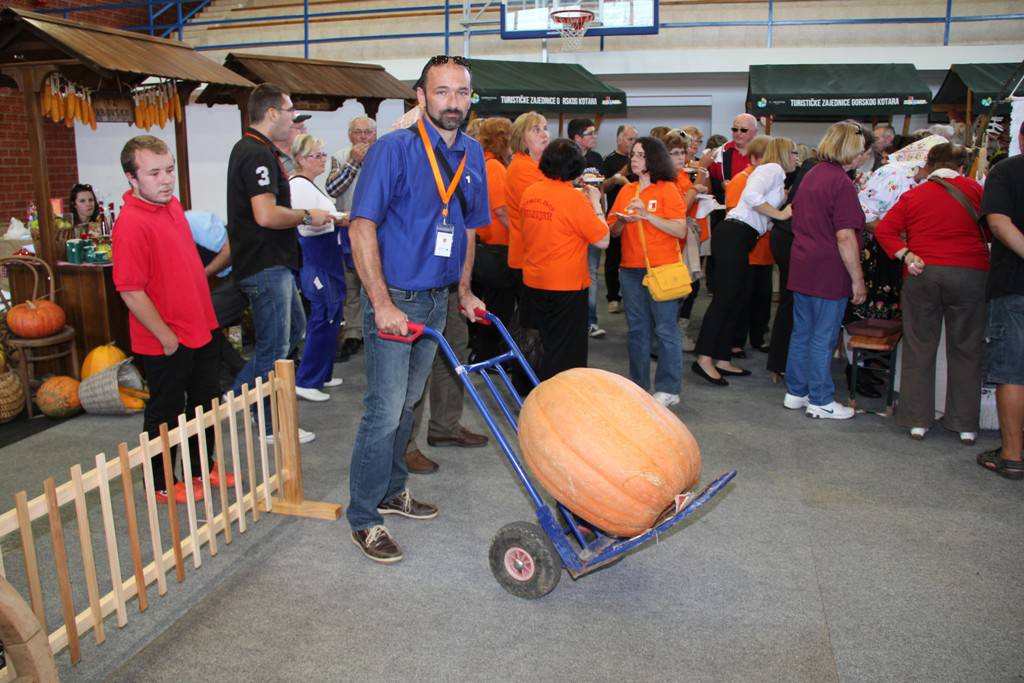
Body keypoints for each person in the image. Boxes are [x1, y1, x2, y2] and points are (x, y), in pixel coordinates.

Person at [346, 55, 488, 563]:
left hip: (436, 300)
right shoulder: (393, 150)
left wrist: (465, 291)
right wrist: (379, 302)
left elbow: (468, 227)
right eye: (443, 92)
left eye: (462, 93)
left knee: (408, 402)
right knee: (383, 410)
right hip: (396, 300)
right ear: (422, 97)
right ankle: (364, 516)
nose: (454, 103)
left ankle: (391, 488)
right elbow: (361, 226)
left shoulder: (473, 152)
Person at [112, 135, 234, 504]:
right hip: (166, 338)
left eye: (169, 170)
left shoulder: (171, 205)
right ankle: (163, 483)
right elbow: (131, 290)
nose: (166, 180)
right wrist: (164, 335)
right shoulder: (130, 224)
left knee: (204, 403)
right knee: (165, 410)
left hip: (201, 327)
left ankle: (201, 468)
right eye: (154, 173)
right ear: (132, 179)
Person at [225, 83, 332, 444]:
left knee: (289, 337)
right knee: (274, 347)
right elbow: (266, 215)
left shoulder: (258, 150)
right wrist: (307, 214)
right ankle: (245, 406)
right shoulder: (255, 153)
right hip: (266, 265)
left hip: (274, 264)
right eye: (289, 112)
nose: (293, 120)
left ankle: (261, 411)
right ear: (271, 113)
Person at [875, 143, 988, 442]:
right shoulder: (976, 190)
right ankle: (965, 424)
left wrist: (906, 254)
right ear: (962, 166)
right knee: (966, 348)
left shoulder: (914, 194)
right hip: (971, 273)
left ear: (929, 163)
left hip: (923, 272)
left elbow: (885, 229)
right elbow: (991, 230)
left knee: (919, 344)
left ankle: (916, 420)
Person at [784, 121, 870, 420]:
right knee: (823, 336)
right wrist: (858, 280)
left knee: (803, 332)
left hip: (803, 264)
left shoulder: (812, 174)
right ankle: (820, 399)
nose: (862, 155)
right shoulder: (840, 182)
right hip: (828, 268)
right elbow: (845, 236)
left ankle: (796, 391)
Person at [694, 136, 795, 385]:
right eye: (793, 153)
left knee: (736, 299)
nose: (797, 158)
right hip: (734, 235)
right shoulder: (772, 168)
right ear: (782, 153)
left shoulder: (776, 174)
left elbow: (759, 212)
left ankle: (722, 357)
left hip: (742, 236)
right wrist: (781, 214)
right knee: (725, 299)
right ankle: (704, 359)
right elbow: (751, 197)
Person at [608, 136, 689, 407]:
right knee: (638, 330)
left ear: (653, 159)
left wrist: (647, 216)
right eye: (633, 154)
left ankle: (669, 388)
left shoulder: (668, 190)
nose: (634, 159)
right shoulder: (626, 191)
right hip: (630, 270)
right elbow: (612, 232)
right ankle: (638, 385)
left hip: (662, 268)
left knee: (666, 330)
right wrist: (621, 221)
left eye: (640, 155)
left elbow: (680, 230)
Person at [521, 138, 610, 380]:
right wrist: (594, 203)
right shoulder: (574, 200)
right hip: (566, 284)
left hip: (533, 279)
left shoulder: (530, 192)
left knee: (536, 343)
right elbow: (603, 239)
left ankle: (530, 392)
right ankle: (560, 400)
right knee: (565, 351)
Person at [976, 120, 1024, 479]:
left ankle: (1012, 453)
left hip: (1014, 284)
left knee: (1012, 372)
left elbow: (998, 223)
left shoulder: (1007, 171)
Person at [288, 134, 347, 402]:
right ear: (301, 159)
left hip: (327, 252)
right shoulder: (298, 185)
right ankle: (307, 379)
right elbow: (307, 221)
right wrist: (337, 218)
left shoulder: (310, 184)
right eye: (317, 156)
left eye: (323, 154)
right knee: (323, 314)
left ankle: (321, 373)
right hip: (316, 255)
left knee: (332, 313)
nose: (323, 160)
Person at [326, 115, 378, 362]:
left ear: (375, 135)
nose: (364, 137)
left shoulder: (383, 154)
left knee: (378, 281)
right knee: (351, 286)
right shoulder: (339, 156)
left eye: (368, 132)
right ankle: (354, 334)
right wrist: (354, 164)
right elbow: (333, 189)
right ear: (350, 135)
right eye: (358, 132)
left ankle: (377, 330)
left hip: (379, 230)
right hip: (348, 229)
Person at [469, 116, 514, 361]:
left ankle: (482, 350)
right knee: (498, 307)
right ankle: (488, 355)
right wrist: (522, 235)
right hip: (498, 247)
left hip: (484, 243)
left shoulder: (480, 163)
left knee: (489, 302)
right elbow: (501, 210)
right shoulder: (494, 167)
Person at [665, 131, 710, 352]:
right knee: (681, 289)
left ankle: (676, 331)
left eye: (682, 152)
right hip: (673, 243)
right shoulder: (669, 179)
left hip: (684, 239)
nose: (681, 157)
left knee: (690, 287)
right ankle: (672, 334)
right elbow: (679, 208)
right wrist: (695, 186)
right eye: (675, 153)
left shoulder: (681, 175)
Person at [505, 111, 550, 328]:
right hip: (527, 257)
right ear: (522, 138)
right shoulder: (521, 168)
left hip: (540, 257)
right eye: (536, 129)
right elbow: (546, 208)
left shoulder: (539, 167)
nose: (544, 134)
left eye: (545, 128)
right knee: (533, 326)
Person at [568, 117, 607, 339]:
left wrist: (601, 214)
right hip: (571, 221)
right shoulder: (566, 156)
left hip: (592, 218)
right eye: (590, 133)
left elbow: (601, 186)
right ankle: (574, 318)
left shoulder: (596, 158)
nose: (595, 137)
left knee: (591, 270)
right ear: (577, 137)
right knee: (573, 269)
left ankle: (591, 320)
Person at [602, 124, 639, 314]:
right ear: (619, 139)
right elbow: (603, 187)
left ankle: (633, 296)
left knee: (633, 256)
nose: (633, 144)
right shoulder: (609, 160)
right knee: (613, 257)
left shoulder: (640, 160)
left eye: (635, 139)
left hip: (636, 214)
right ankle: (613, 297)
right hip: (616, 214)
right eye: (630, 139)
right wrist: (623, 173)